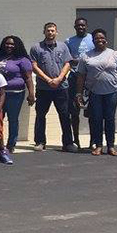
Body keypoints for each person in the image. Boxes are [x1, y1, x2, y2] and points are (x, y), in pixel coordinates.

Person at [76, 28, 117, 157]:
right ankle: (98, 145)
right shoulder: (86, 56)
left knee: (110, 119)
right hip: (94, 93)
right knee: (96, 119)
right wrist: (79, 94)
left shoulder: (115, 55)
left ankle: (111, 146)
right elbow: (81, 76)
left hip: (111, 92)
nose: (100, 40)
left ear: (106, 39)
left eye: (102, 38)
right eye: (96, 38)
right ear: (93, 41)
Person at [29, 22, 74, 152]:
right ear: (44, 32)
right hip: (44, 88)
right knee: (41, 115)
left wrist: (59, 79)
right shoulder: (36, 48)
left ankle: (68, 143)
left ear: (56, 32)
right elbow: (34, 66)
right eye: (48, 30)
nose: (50, 33)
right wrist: (48, 80)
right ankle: (40, 142)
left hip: (61, 87)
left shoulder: (63, 46)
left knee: (65, 115)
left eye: (53, 30)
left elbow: (67, 63)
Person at [0, 36, 35, 158]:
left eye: (12, 44)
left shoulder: (22, 59)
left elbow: (28, 78)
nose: (9, 46)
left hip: (15, 94)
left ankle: (11, 144)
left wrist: (31, 94)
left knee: (13, 119)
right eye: (7, 43)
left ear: (17, 45)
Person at [65, 18, 94, 151]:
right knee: (74, 112)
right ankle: (75, 140)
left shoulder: (93, 39)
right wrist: (75, 61)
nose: (80, 27)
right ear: (74, 27)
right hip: (74, 78)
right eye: (78, 25)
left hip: (90, 80)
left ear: (86, 26)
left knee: (93, 112)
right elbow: (67, 59)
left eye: (83, 25)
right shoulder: (69, 41)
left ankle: (93, 140)